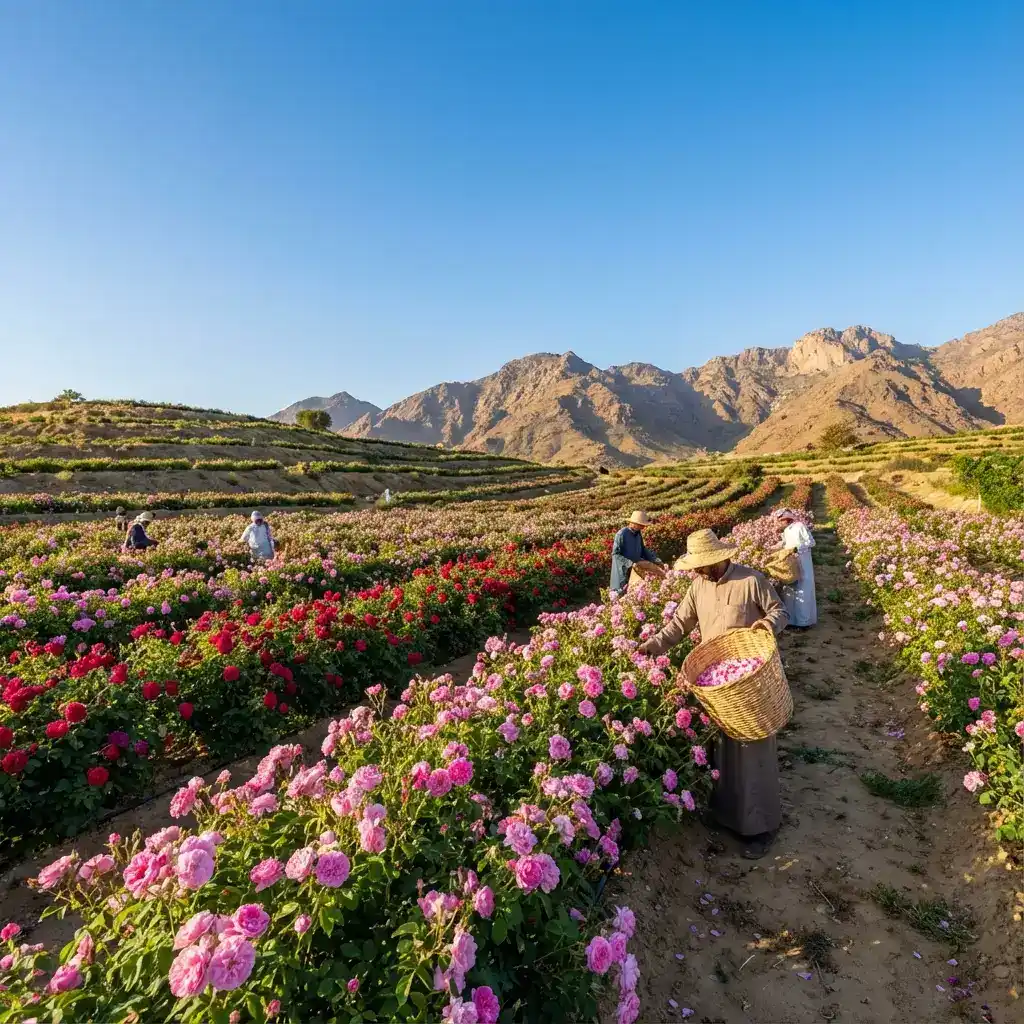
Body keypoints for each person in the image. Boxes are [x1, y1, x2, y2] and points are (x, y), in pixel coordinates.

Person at [638, 528, 788, 859]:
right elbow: (679, 625)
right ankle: (726, 816)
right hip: (715, 684)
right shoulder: (698, 587)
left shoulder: (750, 581)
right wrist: (654, 645)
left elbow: (780, 611)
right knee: (722, 751)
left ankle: (759, 828)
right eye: (696, 567)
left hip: (748, 682)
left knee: (752, 752)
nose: (698, 571)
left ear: (719, 559)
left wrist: (767, 625)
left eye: (702, 566)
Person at [773, 509, 817, 628]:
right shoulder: (787, 530)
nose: (779, 523)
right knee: (790, 589)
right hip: (791, 564)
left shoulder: (799, 526)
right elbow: (786, 543)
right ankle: (792, 621)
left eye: (780, 521)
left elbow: (811, 542)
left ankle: (804, 622)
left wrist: (797, 548)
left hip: (803, 562)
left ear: (786, 520)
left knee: (803, 590)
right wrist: (774, 548)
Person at [610, 511, 663, 594]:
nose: (643, 527)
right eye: (641, 525)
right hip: (623, 570)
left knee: (635, 593)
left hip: (636, 569)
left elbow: (642, 549)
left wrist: (654, 559)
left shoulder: (638, 533)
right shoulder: (621, 534)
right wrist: (630, 563)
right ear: (634, 523)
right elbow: (616, 554)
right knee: (620, 594)